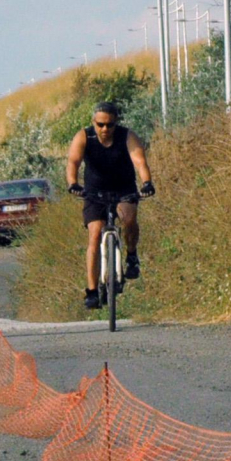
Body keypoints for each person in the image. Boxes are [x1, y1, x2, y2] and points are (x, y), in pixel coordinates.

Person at [65, 101, 154, 310]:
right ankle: (92, 291)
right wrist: (73, 184)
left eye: (110, 125)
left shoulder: (126, 136)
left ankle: (131, 256)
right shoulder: (84, 136)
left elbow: (139, 161)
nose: (105, 129)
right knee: (95, 233)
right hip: (93, 192)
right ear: (93, 122)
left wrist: (147, 182)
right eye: (100, 124)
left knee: (129, 218)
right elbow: (73, 162)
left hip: (124, 189)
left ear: (116, 123)